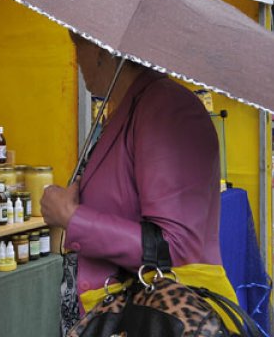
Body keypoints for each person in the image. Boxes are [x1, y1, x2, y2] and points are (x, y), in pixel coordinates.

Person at [41, 32, 237, 330]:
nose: (75, 58)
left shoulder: (166, 107)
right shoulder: (128, 106)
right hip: (128, 312)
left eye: (76, 45)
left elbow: (174, 245)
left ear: (100, 48)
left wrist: (72, 218)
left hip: (164, 318)